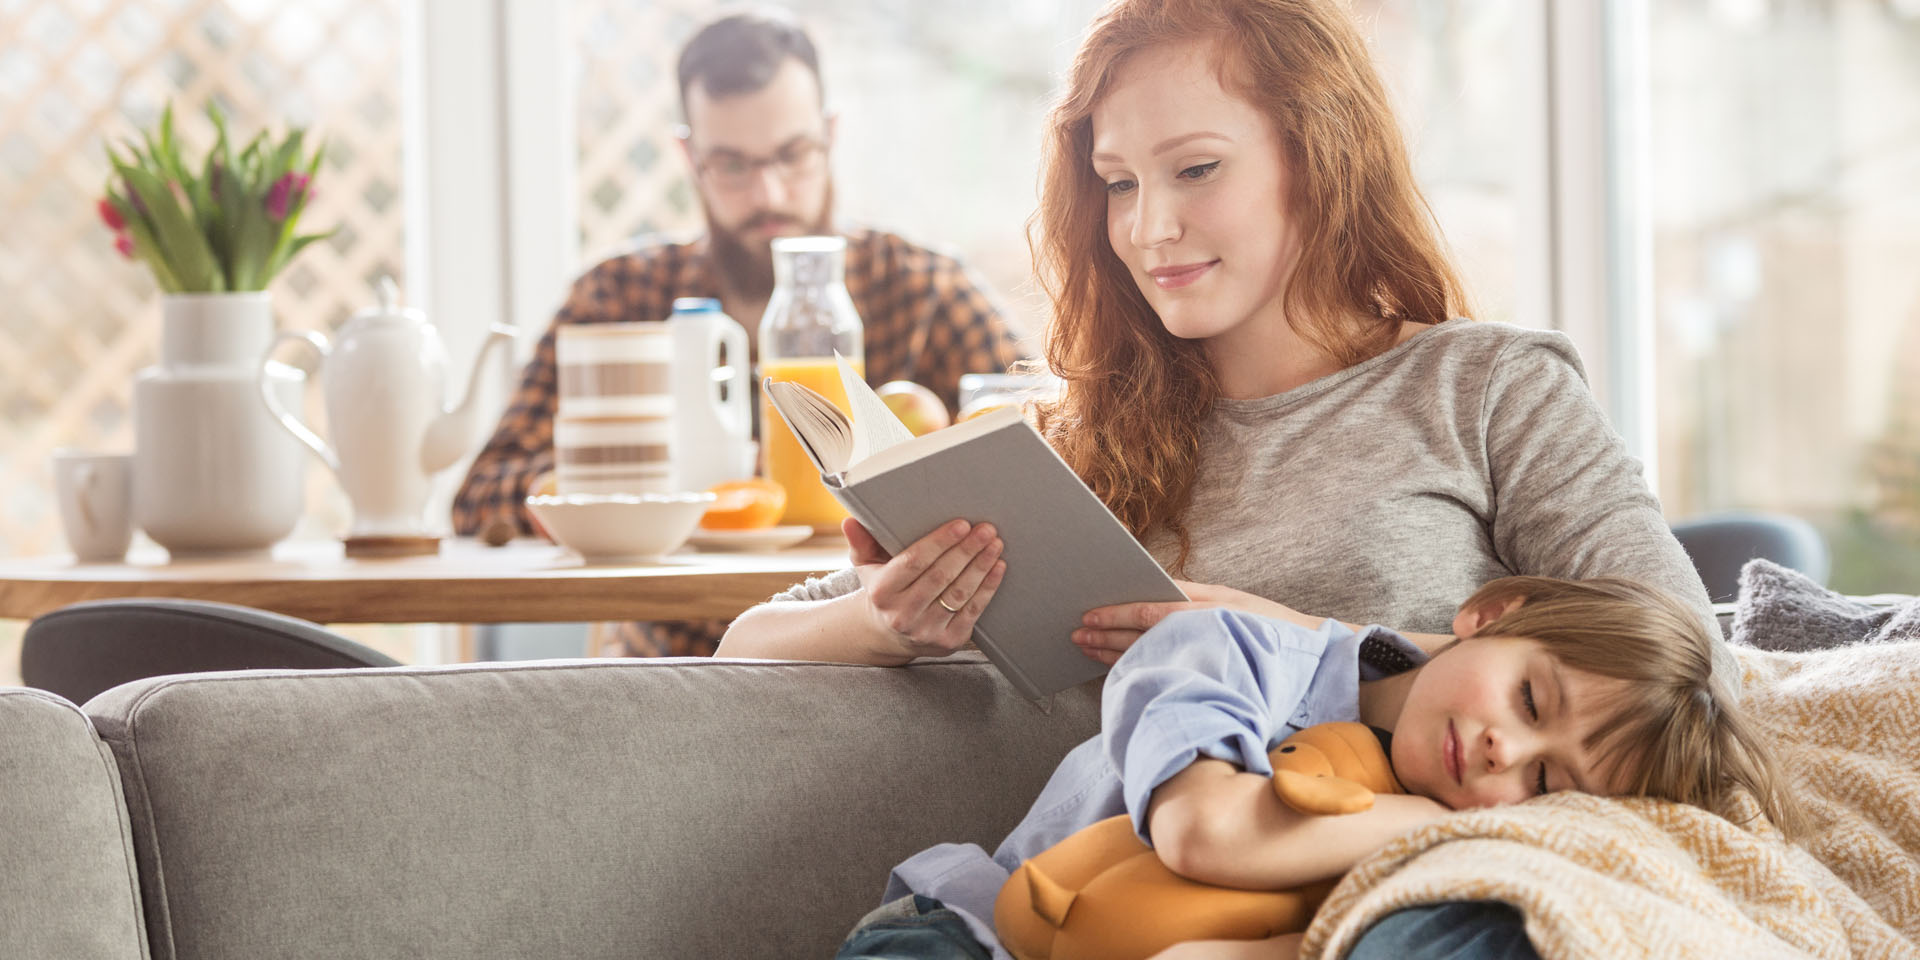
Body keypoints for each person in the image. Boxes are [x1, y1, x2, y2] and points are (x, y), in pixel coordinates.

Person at [719, 0, 1735, 955]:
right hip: (1103, 902)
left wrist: (1301, 641)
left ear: (1321, 158)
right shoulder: (1069, 449)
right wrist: (884, 622)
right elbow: (743, 645)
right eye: (1118, 182)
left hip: (1400, 904)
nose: (1147, 227)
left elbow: (1694, 671)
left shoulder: (1485, 387)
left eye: (1196, 168)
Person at [836, 577, 1802, 960]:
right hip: (977, 936)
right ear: (1494, 614)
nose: (1508, 754)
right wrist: (1467, 823)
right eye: (1530, 700)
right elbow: (1205, 833)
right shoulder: (1234, 654)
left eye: (1548, 786)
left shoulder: (1450, 880)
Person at [453, 9, 1025, 656]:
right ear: (688, 157)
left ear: (830, 136)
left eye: (792, 155)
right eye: (731, 166)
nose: (768, 192)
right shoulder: (621, 298)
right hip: (671, 666)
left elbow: (1045, 441)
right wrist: (669, 480)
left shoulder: (922, 290)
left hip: (885, 671)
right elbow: (482, 494)